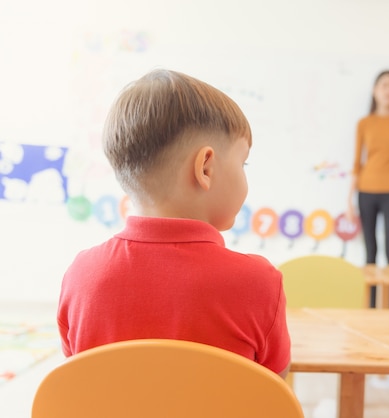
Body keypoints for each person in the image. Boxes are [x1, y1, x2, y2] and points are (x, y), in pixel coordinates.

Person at [57, 69, 291, 378]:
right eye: (242, 162)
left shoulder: (82, 275)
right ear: (206, 167)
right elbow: (273, 387)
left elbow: (77, 382)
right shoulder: (259, 282)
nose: (245, 173)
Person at [347, 70, 389, 308]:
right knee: (369, 252)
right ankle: (371, 305)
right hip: (366, 190)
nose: (388, 91)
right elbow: (357, 162)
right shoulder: (364, 123)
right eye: (384, 85)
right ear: (374, 90)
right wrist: (349, 200)